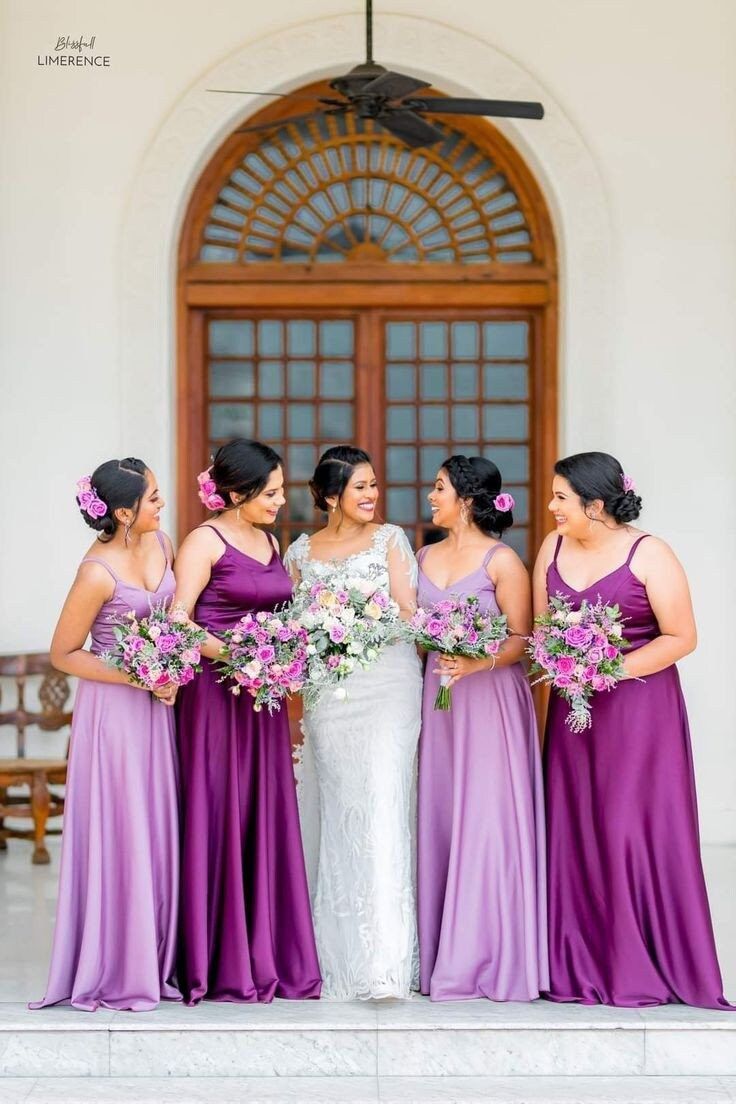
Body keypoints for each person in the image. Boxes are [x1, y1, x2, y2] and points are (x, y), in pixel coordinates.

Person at [535, 451, 731, 1008]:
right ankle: (576, 962)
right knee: (575, 826)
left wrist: (607, 668)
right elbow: (543, 627)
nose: (551, 508)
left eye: (560, 498)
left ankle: (638, 963)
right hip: (575, 714)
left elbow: (681, 637)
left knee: (627, 830)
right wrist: (564, 661)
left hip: (640, 716)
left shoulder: (651, 554)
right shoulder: (552, 548)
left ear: (595, 505)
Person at [173, 438, 320, 1004]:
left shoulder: (267, 541)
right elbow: (178, 623)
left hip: (264, 701)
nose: (281, 501)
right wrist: (239, 657)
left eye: (282, 491)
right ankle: (215, 956)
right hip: (213, 698)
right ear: (235, 492)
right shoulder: (202, 542)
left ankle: (264, 950)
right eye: (272, 491)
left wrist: (282, 654)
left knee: (261, 809)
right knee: (219, 807)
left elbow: (279, 612)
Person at [31, 459, 180, 1011]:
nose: (162, 505)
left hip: (156, 707)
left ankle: (156, 955)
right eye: (154, 498)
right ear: (123, 512)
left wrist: (173, 673)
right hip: (112, 712)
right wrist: (142, 674)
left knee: (155, 821)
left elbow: (174, 621)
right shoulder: (96, 571)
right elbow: (63, 653)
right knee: (122, 825)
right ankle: (116, 962)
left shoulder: (162, 544)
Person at [284, 446, 422, 1000]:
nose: (371, 496)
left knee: (385, 804)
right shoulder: (300, 551)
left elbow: (409, 612)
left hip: (388, 685)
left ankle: (386, 963)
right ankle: (333, 954)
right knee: (340, 809)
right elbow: (294, 622)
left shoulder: (391, 540)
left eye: (374, 485)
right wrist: (325, 633)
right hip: (329, 695)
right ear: (330, 494)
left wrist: (364, 625)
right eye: (360, 487)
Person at [417, 455, 548, 1001]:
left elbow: (523, 639)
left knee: (488, 817)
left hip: (489, 697)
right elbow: (414, 629)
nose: (431, 495)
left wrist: (475, 660)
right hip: (438, 699)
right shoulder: (422, 554)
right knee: (443, 812)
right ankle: (439, 951)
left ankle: (490, 954)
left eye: (440, 488)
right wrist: (434, 642)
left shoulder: (503, 562)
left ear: (467, 500)